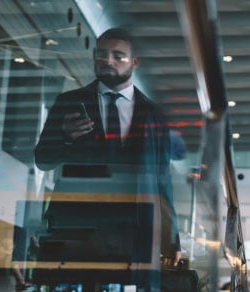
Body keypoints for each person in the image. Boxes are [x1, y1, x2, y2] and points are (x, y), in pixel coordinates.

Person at [34, 27, 181, 279]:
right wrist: (66, 138)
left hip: (131, 231)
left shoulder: (154, 114)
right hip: (76, 226)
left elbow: (162, 180)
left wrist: (172, 236)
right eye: (101, 54)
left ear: (135, 62)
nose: (107, 61)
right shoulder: (68, 102)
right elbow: (43, 160)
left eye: (117, 55)